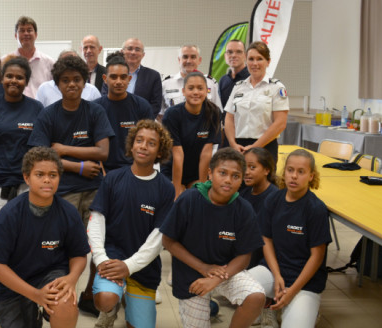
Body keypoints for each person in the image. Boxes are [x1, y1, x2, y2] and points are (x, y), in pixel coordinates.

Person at [28, 55, 114, 316]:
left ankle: (89, 294)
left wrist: (64, 149)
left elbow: (103, 152)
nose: (72, 84)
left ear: (84, 81)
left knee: (96, 245)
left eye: (77, 79)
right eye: (65, 80)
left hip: (94, 190)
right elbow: (41, 157)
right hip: (63, 192)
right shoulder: (49, 114)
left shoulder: (95, 111)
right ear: (57, 84)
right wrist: (78, 165)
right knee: (61, 246)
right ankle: (59, 294)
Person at [0, 147, 90, 328]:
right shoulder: (10, 213)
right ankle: (31, 314)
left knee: (65, 303)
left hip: (51, 275)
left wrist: (71, 278)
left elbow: (79, 255)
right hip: (15, 282)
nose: (47, 180)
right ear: (27, 178)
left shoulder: (68, 212)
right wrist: (35, 295)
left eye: (53, 175)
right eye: (39, 174)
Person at [161, 148, 265, 328]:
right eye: (222, 173)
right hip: (192, 275)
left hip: (225, 272)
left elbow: (245, 256)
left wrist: (216, 279)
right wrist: (204, 268)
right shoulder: (189, 199)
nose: (228, 180)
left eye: (235, 176)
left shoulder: (244, 209)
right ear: (210, 173)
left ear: (241, 180)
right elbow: (168, 241)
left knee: (256, 296)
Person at [88, 120, 175, 328]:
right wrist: (101, 259)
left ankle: (129, 299)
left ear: (160, 152)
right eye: (139, 140)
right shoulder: (113, 179)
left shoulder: (165, 188)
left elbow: (159, 236)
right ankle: (110, 309)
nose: (144, 146)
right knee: (105, 299)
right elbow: (96, 221)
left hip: (144, 267)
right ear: (132, 145)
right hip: (112, 255)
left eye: (151, 143)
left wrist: (129, 266)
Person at [248, 149, 331, 328]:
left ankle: (303, 309)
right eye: (290, 170)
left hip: (304, 283)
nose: (294, 176)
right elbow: (266, 239)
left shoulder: (315, 209)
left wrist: (292, 292)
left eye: (301, 172)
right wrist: (277, 275)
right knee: (240, 287)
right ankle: (268, 306)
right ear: (283, 172)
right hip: (275, 272)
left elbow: (317, 257)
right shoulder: (273, 199)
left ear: (311, 176)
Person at [0, 57, 43, 213]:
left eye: (19, 77)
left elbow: (41, 145)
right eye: (9, 76)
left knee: (25, 231)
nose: (14, 81)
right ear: (1, 78)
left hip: (27, 182)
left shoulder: (37, 109)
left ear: (26, 81)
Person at [224, 41, 288, 163]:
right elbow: (229, 118)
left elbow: (280, 123)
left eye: (259, 59)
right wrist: (233, 144)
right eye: (251, 59)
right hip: (239, 147)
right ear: (246, 61)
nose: (254, 63)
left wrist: (255, 146)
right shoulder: (238, 87)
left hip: (265, 146)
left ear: (268, 62)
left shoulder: (276, 87)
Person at [161, 72, 221, 199]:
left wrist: (203, 186)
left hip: (196, 170)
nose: (195, 92)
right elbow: (178, 154)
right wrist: (177, 190)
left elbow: (206, 153)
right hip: (172, 169)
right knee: (180, 197)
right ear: (183, 91)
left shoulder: (214, 112)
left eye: (200, 88)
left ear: (206, 91)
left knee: (196, 197)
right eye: (191, 88)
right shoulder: (172, 114)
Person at [94, 51, 153, 172]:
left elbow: (149, 144)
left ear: (129, 79)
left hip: (134, 169)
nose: (119, 81)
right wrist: (102, 173)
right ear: (105, 79)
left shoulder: (142, 106)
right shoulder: (95, 108)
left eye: (123, 77)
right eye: (113, 77)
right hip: (103, 171)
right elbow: (91, 144)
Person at [101, 38, 162, 117]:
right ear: (122, 52)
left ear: (143, 55)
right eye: (130, 49)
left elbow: (155, 105)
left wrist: (141, 123)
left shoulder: (153, 76)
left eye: (137, 49)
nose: (133, 52)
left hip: (142, 124)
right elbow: (105, 97)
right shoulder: (111, 73)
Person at [239, 147, 278, 269]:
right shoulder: (244, 193)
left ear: (266, 170)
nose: (246, 172)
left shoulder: (274, 197)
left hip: (261, 258)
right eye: (244, 167)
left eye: (252, 167)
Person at [161, 45, 221, 118]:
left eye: (193, 57)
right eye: (185, 57)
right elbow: (160, 114)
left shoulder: (210, 83)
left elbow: (217, 112)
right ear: (179, 60)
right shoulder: (166, 84)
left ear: (199, 60)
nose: (189, 61)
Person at [35, 50, 102, 107]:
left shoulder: (93, 91)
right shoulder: (44, 89)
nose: (71, 84)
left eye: (76, 80)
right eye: (65, 80)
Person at [10, 16, 54, 98]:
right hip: (14, 108)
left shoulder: (49, 62)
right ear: (16, 35)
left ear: (36, 35)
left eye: (29, 30)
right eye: (22, 31)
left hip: (41, 109)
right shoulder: (6, 61)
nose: (26, 33)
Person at [217, 40, 249, 109]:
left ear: (245, 56)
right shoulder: (223, 80)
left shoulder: (252, 78)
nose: (234, 55)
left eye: (238, 52)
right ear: (225, 56)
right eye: (230, 52)